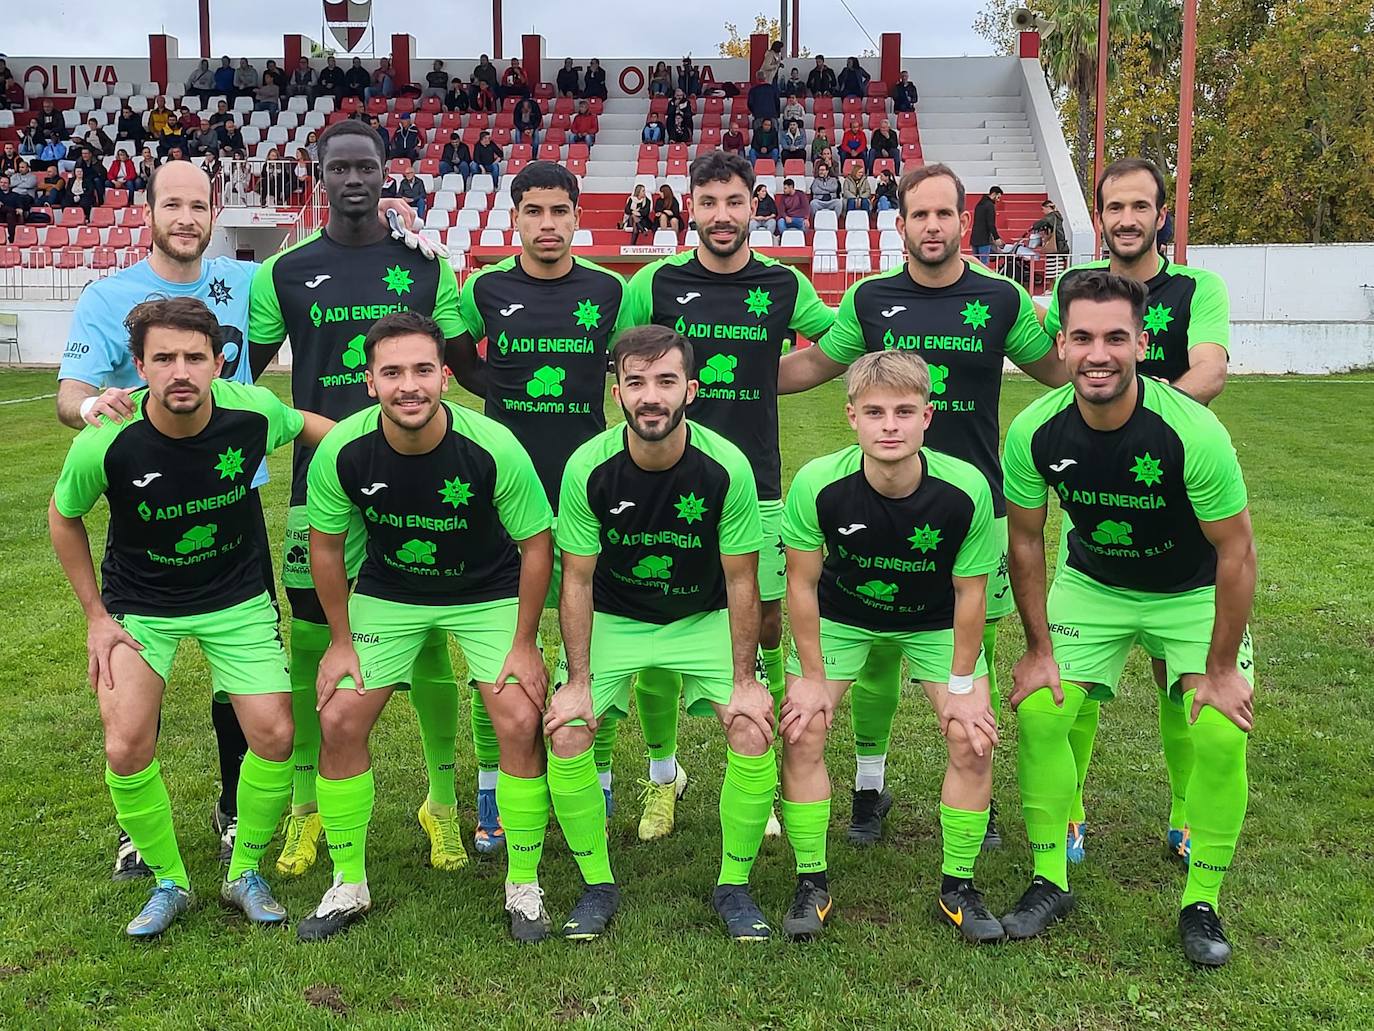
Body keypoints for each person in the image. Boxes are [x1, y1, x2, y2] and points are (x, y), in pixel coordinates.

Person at [778, 164, 1066, 849]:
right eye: (919, 215)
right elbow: (817, 365)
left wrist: (1142, 379)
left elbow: (1058, 370)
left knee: (974, 643)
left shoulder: (999, 298)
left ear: (963, 222)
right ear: (900, 222)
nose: (932, 226)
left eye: (944, 214)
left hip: (975, 505)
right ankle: (870, 786)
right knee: (875, 650)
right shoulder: (871, 297)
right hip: (886, 498)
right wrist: (724, 378)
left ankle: (979, 790)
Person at [50, 297, 335, 939]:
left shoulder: (251, 411)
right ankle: (169, 882)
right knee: (125, 744)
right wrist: (96, 616)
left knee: (275, 735)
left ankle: (244, 874)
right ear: (140, 366)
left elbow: (311, 425)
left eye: (193, 357)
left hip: (234, 599)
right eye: (163, 358)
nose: (180, 371)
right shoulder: (107, 440)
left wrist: (379, 446)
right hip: (139, 609)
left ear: (219, 362)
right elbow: (63, 516)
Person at [1000, 269, 1255, 967]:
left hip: (1189, 591)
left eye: (1116, 337)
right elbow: (1024, 539)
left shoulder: (1192, 431)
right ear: (1062, 342)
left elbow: (1236, 552)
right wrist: (1037, 647)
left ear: (1143, 342)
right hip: (1095, 585)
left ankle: (1200, 898)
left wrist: (1223, 668)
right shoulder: (1033, 429)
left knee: (1222, 731)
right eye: (1082, 337)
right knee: (1043, 711)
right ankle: (1049, 876)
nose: (1099, 353)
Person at [246, 119, 462, 881]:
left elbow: (464, 365)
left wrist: (453, 267)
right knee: (313, 646)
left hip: (421, 485)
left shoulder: (426, 266)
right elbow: (244, 371)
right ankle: (307, 808)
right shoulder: (286, 270)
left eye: (365, 166)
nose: (353, 179)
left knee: (431, 638)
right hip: (323, 487)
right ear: (320, 176)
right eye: (338, 168)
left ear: (385, 174)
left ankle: (441, 802)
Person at [295, 310, 553, 942]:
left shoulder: (493, 446)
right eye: (391, 372)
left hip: (485, 591)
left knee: (520, 718)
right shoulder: (343, 449)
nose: (407, 385)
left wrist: (524, 643)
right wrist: (339, 643)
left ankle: (524, 883)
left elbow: (538, 544)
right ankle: (347, 883)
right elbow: (325, 550)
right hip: (391, 591)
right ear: (369, 382)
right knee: (339, 717)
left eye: (420, 370)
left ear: (444, 375)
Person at [615, 151, 836, 841]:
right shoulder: (655, 281)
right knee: (656, 629)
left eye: (733, 201)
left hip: (757, 485)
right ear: (690, 207)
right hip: (664, 486)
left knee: (764, 627)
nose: (720, 215)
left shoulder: (782, 283)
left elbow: (839, 343)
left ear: (753, 205)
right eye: (707, 202)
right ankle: (661, 777)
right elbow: (621, 366)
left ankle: (759, 777)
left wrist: (768, 377)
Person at [546, 323, 775, 940]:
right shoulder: (587, 467)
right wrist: (577, 680)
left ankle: (734, 885)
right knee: (568, 731)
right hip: (618, 619)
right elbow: (576, 581)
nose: (652, 396)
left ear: (691, 390)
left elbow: (741, 581)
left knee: (752, 728)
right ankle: (597, 885)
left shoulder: (726, 466)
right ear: (616, 392)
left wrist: (746, 679)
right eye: (637, 382)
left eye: (666, 381)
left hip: (702, 617)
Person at [1041, 158, 1231, 867]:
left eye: (1139, 205)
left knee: (1174, 674)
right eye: (1113, 206)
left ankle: (1185, 813)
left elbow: (1210, 368)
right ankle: (1067, 813)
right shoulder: (1076, 287)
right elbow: (1063, 371)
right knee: (1076, 681)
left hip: (1177, 500)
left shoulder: (1195, 288)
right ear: (1099, 213)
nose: (1125, 218)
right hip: (1097, 505)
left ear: (1161, 214)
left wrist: (1145, 429)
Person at [778, 349, 1003, 942]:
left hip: (933, 621)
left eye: (905, 411)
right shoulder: (817, 483)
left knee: (972, 739)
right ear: (851, 416)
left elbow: (970, 591)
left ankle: (959, 886)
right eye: (875, 412)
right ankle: (810, 880)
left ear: (928, 416)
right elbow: (800, 584)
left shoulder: (966, 487)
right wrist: (808, 674)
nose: (890, 425)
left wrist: (961, 689)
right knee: (803, 727)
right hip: (843, 616)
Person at [448, 161, 628, 858]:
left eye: (560, 211)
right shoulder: (486, 287)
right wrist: (498, 390)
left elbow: (635, 361)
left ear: (577, 216)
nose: (547, 224)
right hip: (504, 488)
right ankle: (493, 786)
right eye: (534, 211)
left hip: (587, 484)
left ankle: (598, 775)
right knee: (499, 647)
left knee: (597, 643)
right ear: (514, 217)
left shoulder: (611, 290)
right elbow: (460, 355)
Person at [971, 186, 1003, 262]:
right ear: (994, 194)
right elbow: (991, 224)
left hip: (974, 238)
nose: (998, 200)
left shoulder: (979, 204)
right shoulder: (990, 206)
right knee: (984, 263)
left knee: (975, 264)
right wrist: (996, 238)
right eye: (998, 197)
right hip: (984, 239)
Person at [0, 174, 32, 242]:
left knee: (10, 214)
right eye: (1, 182)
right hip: (1, 216)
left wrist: (19, 209)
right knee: (7, 210)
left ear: (9, 185)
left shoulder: (15, 195)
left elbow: (20, 208)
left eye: (5, 183)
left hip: (12, 218)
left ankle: (12, 238)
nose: (3, 184)